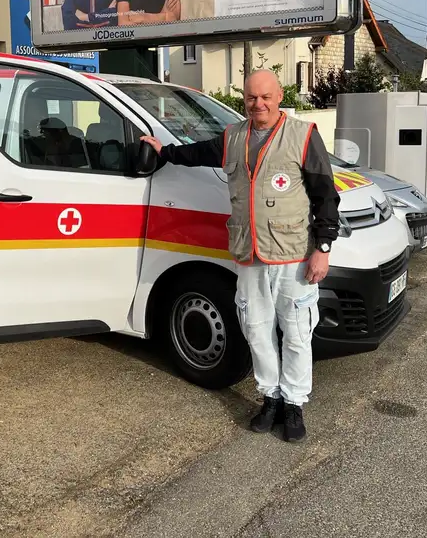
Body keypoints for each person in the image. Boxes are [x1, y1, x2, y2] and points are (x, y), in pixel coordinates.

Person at [140, 70, 340, 442]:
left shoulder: (303, 135)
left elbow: (326, 196)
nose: (258, 104)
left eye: (265, 97)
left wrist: (323, 248)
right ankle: (271, 398)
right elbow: (198, 152)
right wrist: (164, 152)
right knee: (256, 329)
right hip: (248, 254)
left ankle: (294, 404)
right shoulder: (233, 137)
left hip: (292, 256)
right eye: (251, 98)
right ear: (244, 100)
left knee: (296, 333)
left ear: (279, 96)